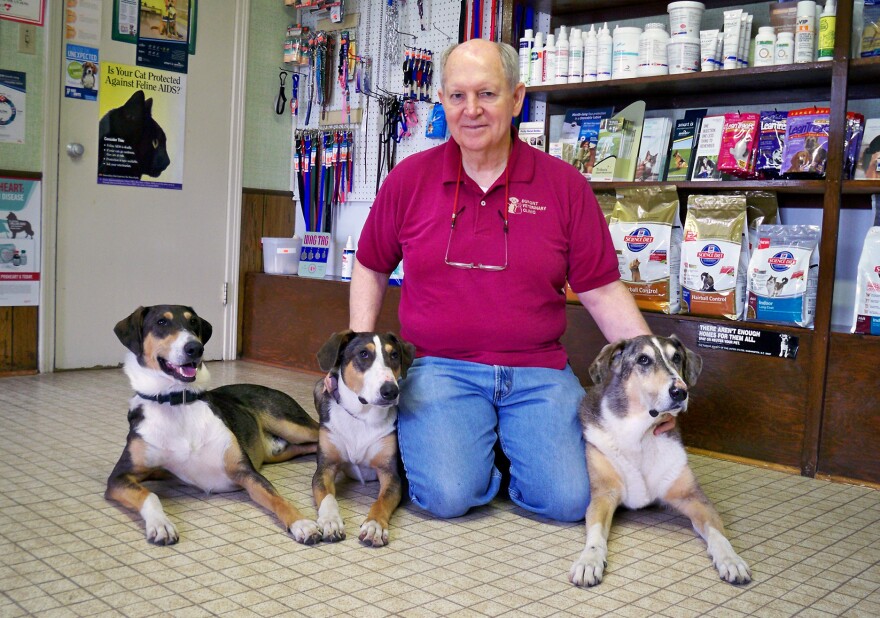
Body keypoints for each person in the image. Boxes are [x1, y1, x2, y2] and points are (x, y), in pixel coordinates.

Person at [349, 39, 660, 522]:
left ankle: (499, 447)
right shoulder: (409, 180)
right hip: (440, 369)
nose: (471, 110)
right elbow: (370, 265)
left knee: (570, 502)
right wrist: (358, 361)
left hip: (538, 372)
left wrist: (651, 378)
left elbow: (601, 290)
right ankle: (478, 451)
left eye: (487, 94)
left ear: (516, 99)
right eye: (457, 96)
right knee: (446, 498)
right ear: (443, 101)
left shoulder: (565, 186)